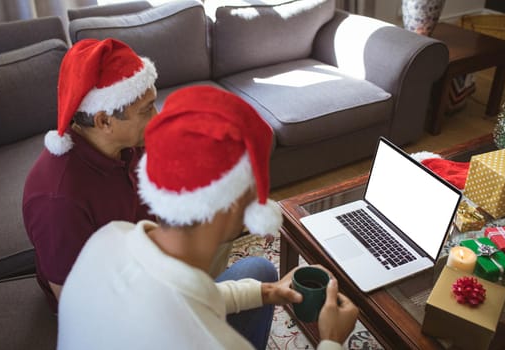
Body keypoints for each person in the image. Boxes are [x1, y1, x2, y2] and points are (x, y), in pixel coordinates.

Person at [57, 86, 359, 349]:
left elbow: (189, 296)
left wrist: (267, 293)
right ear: (230, 202)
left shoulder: (110, 236)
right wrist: (331, 339)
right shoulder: (212, 343)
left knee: (259, 270)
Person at [22, 38, 159, 313]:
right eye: (146, 111)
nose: (157, 117)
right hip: (112, 307)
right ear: (104, 121)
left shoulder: (130, 147)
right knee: (256, 272)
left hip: (147, 264)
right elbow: (78, 306)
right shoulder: (59, 199)